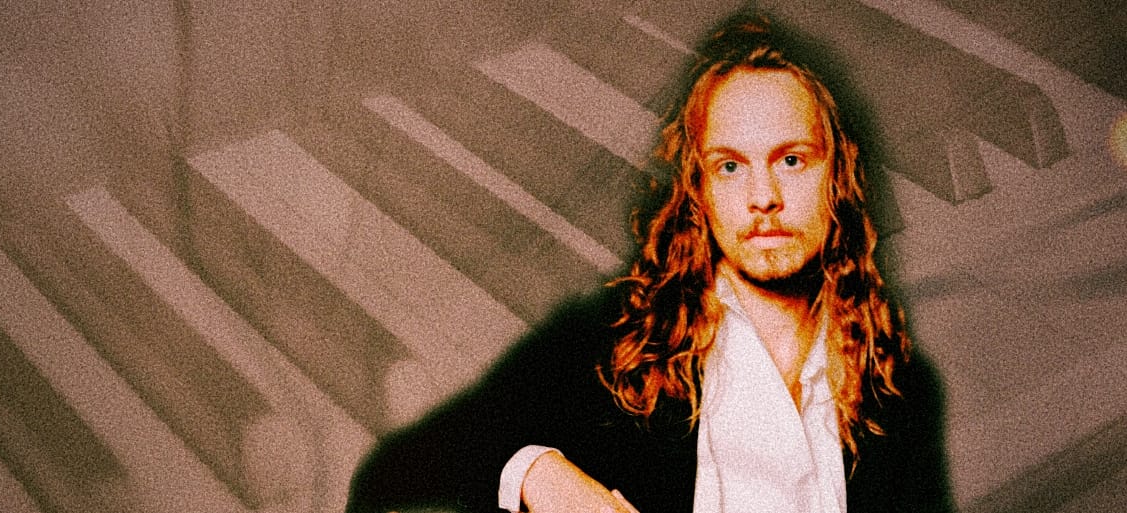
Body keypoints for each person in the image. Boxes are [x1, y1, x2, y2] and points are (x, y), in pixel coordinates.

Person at [347, 11, 953, 513]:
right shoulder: (614, 343)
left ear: (837, 177)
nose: (763, 197)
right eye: (730, 166)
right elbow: (389, 480)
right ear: (700, 191)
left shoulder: (902, 392)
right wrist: (541, 474)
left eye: (792, 160)